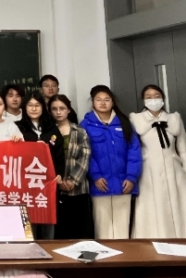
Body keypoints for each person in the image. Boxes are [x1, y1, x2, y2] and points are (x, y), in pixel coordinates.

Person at [130, 85, 186, 238]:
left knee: (179, 208)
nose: (153, 99)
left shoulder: (174, 119)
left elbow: (184, 149)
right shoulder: (137, 120)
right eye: (148, 97)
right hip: (148, 172)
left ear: (163, 98)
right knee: (152, 210)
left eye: (156, 96)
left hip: (174, 170)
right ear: (143, 100)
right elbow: (133, 150)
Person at [80, 85, 141, 239]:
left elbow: (134, 151)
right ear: (92, 102)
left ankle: (123, 253)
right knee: (102, 224)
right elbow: (85, 154)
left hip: (124, 184)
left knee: (123, 224)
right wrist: (95, 176)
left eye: (107, 100)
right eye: (98, 100)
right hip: (100, 184)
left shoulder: (124, 123)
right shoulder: (85, 125)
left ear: (113, 102)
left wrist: (131, 177)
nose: (103, 103)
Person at [16, 91, 65, 240]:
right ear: (24, 108)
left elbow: (59, 155)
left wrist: (59, 174)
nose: (34, 108)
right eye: (30, 105)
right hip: (26, 184)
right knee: (29, 224)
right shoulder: (18, 128)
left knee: (47, 223)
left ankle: (47, 252)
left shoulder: (52, 128)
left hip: (47, 184)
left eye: (37, 105)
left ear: (43, 107)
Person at [49, 94, 94, 240]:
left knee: (80, 231)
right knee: (60, 233)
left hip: (78, 188)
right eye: (54, 109)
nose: (58, 112)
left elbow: (85, 157)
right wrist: (59, 180)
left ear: (68, 110)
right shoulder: (47, 132)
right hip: (55, 188)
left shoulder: (79, 131)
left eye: (62, 108)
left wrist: (72, 180)